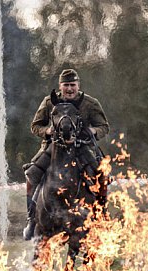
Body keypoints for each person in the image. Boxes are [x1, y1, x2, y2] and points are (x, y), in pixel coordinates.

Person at [23, 68, 110, 240]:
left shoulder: (90, 103)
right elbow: (35, 126)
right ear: (60, 86)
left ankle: (102, 216)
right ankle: (32, 220)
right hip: (53, 148)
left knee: (101, 175)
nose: (69, 89)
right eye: (66, 85)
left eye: (73, 85)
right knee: (31, 175)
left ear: (78, 86)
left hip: (82, 148)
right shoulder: (49, 102)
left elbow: (104, 127)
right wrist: (47, 131)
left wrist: (92, 131)